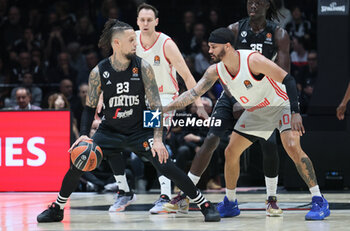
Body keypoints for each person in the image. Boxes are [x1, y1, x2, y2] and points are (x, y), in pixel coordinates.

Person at [36, 19, 220, 223]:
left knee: (165, 163)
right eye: (131, 40)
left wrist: (157, 138)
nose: (136, 43)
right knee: (79, 161)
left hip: (139, 130)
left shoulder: (143, 67)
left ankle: (203, 204)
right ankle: (58, 208)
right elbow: (89, 108)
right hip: (109, 131)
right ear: (117, 43)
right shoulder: (99, 71)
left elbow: (155, 105)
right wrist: (83, 136)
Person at [163, 27, 330, 221]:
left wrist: (295, 112)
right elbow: (192, 94)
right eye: (209, 47)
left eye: (213, 47)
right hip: (257, 111)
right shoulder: (215, 70)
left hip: (280, 105)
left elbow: (289, 80)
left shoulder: (252, 60)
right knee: (230, 151)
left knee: (292, 147)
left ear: (227, 46)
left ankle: (319, 200)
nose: (209, 51)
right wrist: (165, 108)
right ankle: (231, 202)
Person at [165, 0, 290, 217]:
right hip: (232, 94)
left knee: (268, 143)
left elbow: (283, 75)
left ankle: (271, 199)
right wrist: (235, 99)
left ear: (268, 5)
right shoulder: (234, 29)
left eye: (258, 2)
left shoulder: (278, 34)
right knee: (211, 139)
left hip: (261, 96)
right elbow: (223, 70)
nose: (253, 5)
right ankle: (185, 195)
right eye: (250, 1)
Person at [109, 3, 208, 215]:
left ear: (156, 22)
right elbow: (114, 70)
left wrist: (198, 104)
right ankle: (125, 191)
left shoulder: (166, 44)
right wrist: (102, 97)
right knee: (111, 136)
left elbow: (187, 76)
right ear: (137, 21)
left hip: (165, 99)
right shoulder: (130, 40)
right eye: (141, 20)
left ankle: (165, 197)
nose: (145, 24)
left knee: (156, 143)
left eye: (149, 20)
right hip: (137, 99)